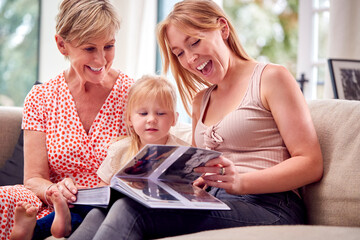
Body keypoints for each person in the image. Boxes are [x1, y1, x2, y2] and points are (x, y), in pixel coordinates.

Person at [68, 0, 323, 239]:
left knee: (132, 211)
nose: (190, 59)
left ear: (222, 28)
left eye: (195, 42)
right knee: (102, 210)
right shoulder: (201, 100)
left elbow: (311, 163)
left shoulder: (271, 78)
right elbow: (197, 170)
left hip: (270, 206)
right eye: (179, 53)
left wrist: (242, 182)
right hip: (214, 200)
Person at [5, 0, 134, 239]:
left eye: (108, 46)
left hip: (112, 206)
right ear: (62, 45)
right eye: (89, 49)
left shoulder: (133, 94)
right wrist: (54, 191)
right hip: (57, 206)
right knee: (5, 197)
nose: (101, 60)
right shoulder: (41, 98)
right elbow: (33, 178)